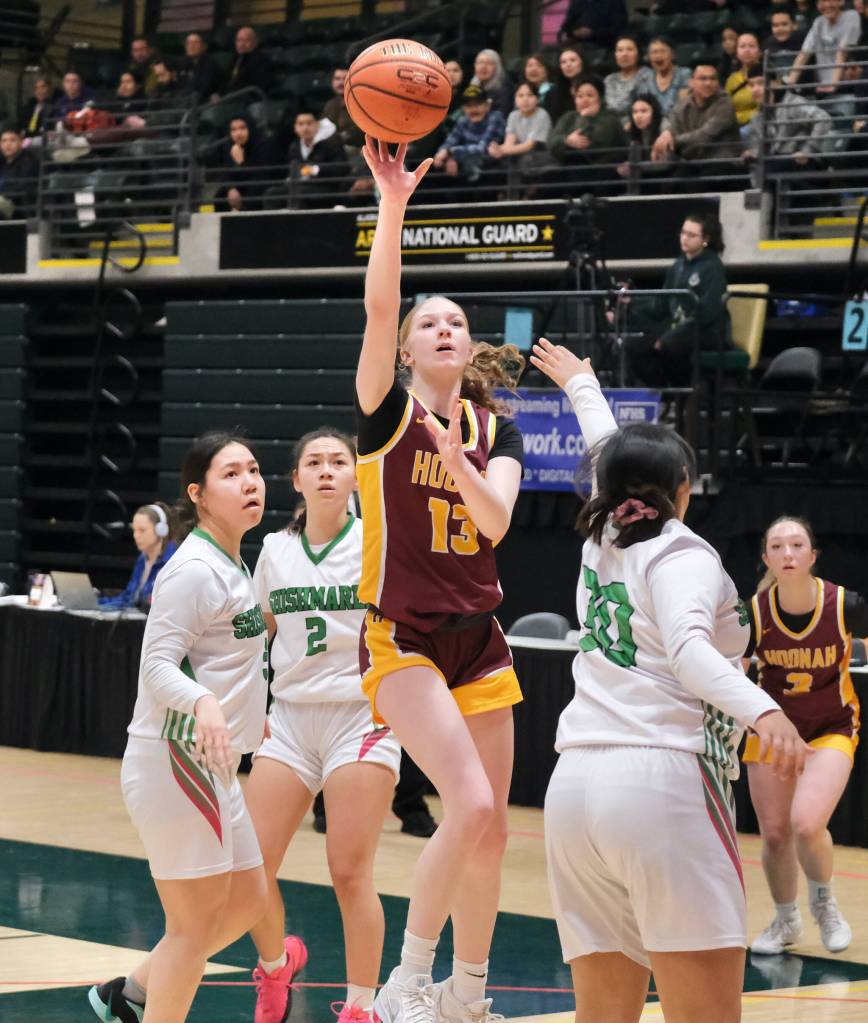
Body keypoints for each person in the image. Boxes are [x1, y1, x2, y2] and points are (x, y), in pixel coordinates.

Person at [531, 339, 807, 1023]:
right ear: (681, 486)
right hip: (659, 779)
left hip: (573, 793)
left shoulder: (604, 536)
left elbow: (608, 454)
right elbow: (688, 652)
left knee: (604, 1014)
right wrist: (763, 710)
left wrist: (584, 387)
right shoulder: (683, 550)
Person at [357, 137, 525, 1023]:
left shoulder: (496, 430)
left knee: (492, 825)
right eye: (432, 323)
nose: (445, 329)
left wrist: (460, 461)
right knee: (463, 803)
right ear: (412, 349)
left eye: (457, 321)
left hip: (480, 636)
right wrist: (394, 204)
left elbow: (495, 522)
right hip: (404, 633)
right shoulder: (387, 412)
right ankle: (405, 984)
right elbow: (381, 304)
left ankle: (467, 994)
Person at [87, 432, 276, 1023]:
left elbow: (228, 655)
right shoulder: (192, 569)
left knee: (247, 900)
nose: (249, 482)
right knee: (192, 929)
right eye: (230, 474)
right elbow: (157, 666)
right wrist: (205, 703)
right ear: (197, 494)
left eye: (253, 470)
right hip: (174, 760)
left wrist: (250, 715)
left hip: (212, 761)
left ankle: (130, 993)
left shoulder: (234, 560)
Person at [245, 426, 401, 1023]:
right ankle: (276, 966)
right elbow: (257, 635)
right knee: (250, 868)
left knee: (348, 870)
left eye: (340, 460)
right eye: (316, 461)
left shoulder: (376, 541)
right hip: (288, 719)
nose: (329, 469)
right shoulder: (275, 551)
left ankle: (362, 1006)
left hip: (360, 717)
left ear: (355, 476)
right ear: (299, 479)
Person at [745, 516, 864, 956]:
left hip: (831, 727)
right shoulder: (753, 613)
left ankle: (825, 905)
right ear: (767, 559)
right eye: (778, 546)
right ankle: (785, 920)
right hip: (774, 731)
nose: (788, 553)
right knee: (775, 834)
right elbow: (733, 673)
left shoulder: (845, 604)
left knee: (807, 822)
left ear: (812, 556)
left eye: (797, 545)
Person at [624, 213, 731, 388]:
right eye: (683, 232)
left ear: (706, 239)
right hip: (678, 330)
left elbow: (706, 313)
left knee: (669, 345)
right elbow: (660, 306)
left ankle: (690, 390)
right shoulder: (678, 265)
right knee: (635, 347)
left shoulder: (714, 267)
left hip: (707, 332)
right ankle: (668, 392)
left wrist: (670, 336)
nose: (685, 238)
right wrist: (632, 304)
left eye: (691, 235)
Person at [742, 66, 831, 179]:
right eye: (751, 85)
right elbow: (760, 148)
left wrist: (807, 151)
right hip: (776, 162)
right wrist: (753, 153)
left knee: (767, 170)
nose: (755, 89)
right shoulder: (757, 117)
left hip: (802, 162)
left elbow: (823, 118)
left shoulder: (793, 103)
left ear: (775, 83)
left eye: (760, 83)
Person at [651, 63, 742, 166]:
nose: (708, 83)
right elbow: (672, 122)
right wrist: (666, 133)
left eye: (713, 79)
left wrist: (672, 139)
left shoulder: (725, 104)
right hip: (694, 162)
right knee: (667, 178)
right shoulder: (683, 104)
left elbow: (703, 135)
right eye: (703, 79)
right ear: (691, 83)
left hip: (724, 163)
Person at [98, 503, 178, 610]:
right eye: (134, 530)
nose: (136, 536)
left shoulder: (173, 562)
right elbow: (128, 599)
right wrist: (96, 603)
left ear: (161, 530)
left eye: (142, 530)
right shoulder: (142, 559)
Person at [433, 85, 505, 185]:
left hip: (494, 169)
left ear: (487, 105)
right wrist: (446, 156)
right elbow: (449, 143)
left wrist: (450, 153)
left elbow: (482, 148)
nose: (473, 109)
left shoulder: (495, 117)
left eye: (477, 104)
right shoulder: (463, 121)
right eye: (468, 106)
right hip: (469, 167)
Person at [549, 77, 628, 168]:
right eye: (579, 96)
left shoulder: (611, 118)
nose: (584, 100)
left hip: (602, 171)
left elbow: (590, 147)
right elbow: (552, 142)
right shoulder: (569, 117)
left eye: (590, 95)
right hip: (570, 171)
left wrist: (585, 118)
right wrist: (567, 140)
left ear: (601, 99)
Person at [788, 0, 861, 94]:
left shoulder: (852, 16)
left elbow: (842, 53)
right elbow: (804, 54)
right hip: (822, 89)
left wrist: (833, 85)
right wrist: (789, 84)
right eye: (821, 1)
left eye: (830, 0)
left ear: (841, 2)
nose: (826, 5)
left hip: (846, 90)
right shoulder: (819, 22)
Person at [487, 80, 553, 185]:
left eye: (530, 95)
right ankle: (510, 197)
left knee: (522, 160)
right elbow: (509, 143)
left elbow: (529, 146)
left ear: (537, 99)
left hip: (543, 155)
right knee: (501, 161)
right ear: (515, 100)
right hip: (522, 156)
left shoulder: (542, 115)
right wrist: (496, 149)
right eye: (520, 96)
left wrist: (501, 151)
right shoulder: (513, 115)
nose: (525, 99)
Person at [286, 107, 347, 208]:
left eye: (309, 123)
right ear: (295, 128)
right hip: (301, 185)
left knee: (300, 193)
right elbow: (292, 166)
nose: (305, 128)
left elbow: (342, 168)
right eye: (301, 124)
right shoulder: (294, 147)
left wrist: (315, 169)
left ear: (317, 125)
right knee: (272, 193)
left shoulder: (331, 143)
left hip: (326, 187)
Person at [214, 114, 270, 212]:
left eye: (242, 128)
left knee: (253, 192)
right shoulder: (229, 146)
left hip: (260, 186)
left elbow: (260, 176)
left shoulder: (263, 145)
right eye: (233, 130)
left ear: (250, 129)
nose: (238, 133)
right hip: (240, 185)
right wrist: (231, 188)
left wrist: (242, 163)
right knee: (220, 196)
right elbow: (224, 172)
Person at [604, 35, 654, 120]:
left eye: (629, 49)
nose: (624, 54)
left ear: (638, 54)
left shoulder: (647, 75)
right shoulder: (609, 79)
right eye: (620, 50)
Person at [644, 37, 691, 117]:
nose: (658, 56)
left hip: (677, 122)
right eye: (654, 52)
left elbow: (683, 108)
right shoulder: (646, 77)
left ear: (673, 55)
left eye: (663, 51)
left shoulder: (684, 74)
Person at [725, 32, 764, 129]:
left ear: (759, 51)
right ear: (737, 53)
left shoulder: (769, 74)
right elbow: (727, 110)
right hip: (737, 127)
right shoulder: (732, 80)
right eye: (742, 46)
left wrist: (745, 116)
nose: (747, 50)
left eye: (751, 46)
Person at [0, 127, 39, 220]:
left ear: (21, 143)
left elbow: (22, 187)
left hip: (17, 207)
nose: (7, 144)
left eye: (12, 140)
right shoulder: (2, 161)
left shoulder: (28, 160)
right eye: (4, 141)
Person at [558, 0, 628, 49]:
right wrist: (567, 35)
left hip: (605, 47)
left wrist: (592, 33)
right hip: (577, 47)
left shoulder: (615, 2)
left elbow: (619, 29)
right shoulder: (576, 3)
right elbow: (565, 27)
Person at [226, 25, 273, 96]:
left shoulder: (262, 60)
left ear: (255, 42)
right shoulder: (235, 58)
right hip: (230, 98)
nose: (241, 44)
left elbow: (259, 87)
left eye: (246, 41)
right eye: (239, 40)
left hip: (247, 100)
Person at [180, 31, 225, 103]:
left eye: (195, 43)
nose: (191, 46)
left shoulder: (210, 63)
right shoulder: (183, 63)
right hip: (186, 102)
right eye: (188, 43)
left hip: (206, 103)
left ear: (204, 46)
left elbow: (205, 89)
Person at [766, 6, 808, 79]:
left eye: (784, 24)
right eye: (775, 25)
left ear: (795, 25)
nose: (780, 29)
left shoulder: (805, 41)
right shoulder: (767, 44)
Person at [546, 47, 586, 121]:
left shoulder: (594, 85)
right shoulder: (554, 92)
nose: (568, 65)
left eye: (573, 60)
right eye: (563, 62)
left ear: (582, 62)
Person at [470, 49, 513, 117]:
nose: (483, 67)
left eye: (489, 63)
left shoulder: (504, 91)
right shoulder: (472, 88)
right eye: (480, 63)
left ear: (497, 68)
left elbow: (501, 116)